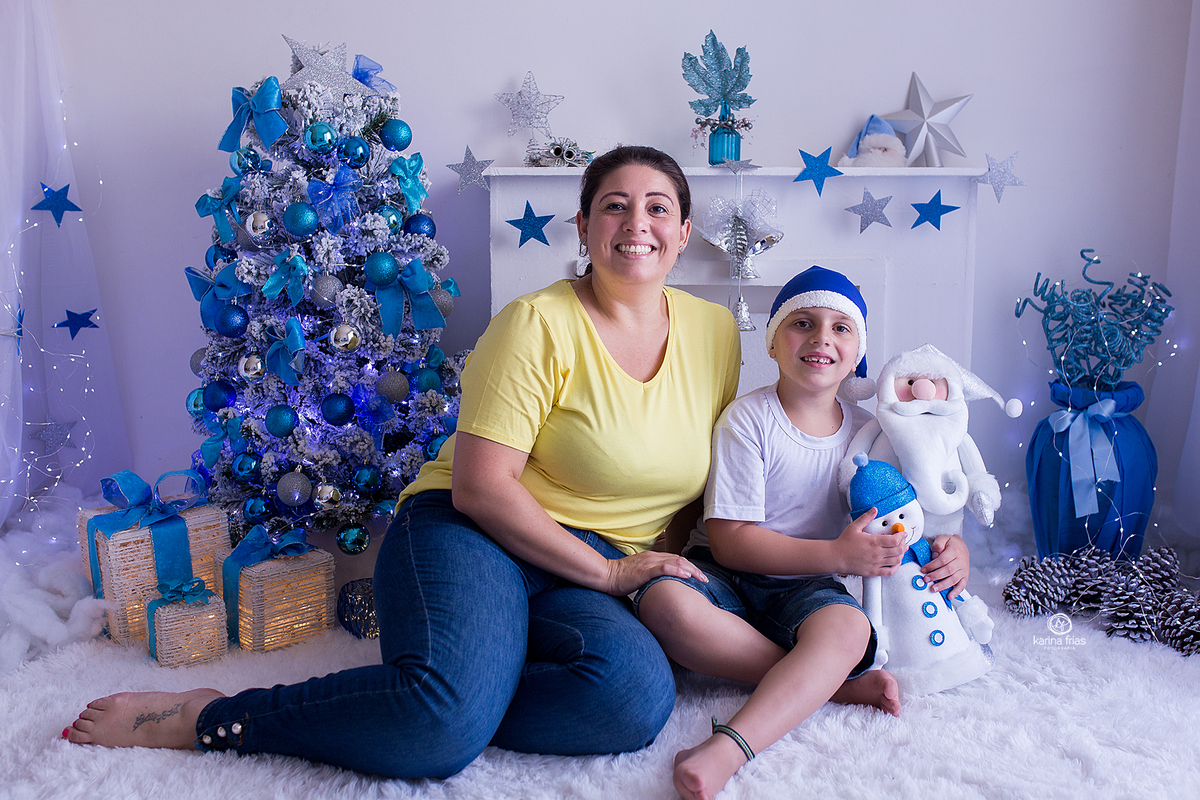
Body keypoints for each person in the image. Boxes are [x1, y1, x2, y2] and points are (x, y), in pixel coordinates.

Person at [64, 146, 742, 778]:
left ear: (683, 232)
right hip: (471, 532)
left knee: (631, 700)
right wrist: (612, 573)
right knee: (442, 731)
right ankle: (212, 717)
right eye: (614, 205)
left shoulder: (713, 333)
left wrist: (657, 583)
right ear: (583, 226)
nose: (636, 223)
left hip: (585, 570)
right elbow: (482, 489)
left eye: (658, 207)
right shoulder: (537, 323)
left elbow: (693, 486)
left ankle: (462, 682)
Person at [634, 266, 972, 800]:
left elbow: (910, 512)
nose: (821, 339)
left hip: (808, 585)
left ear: (858, 349)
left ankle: (728, 748)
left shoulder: (871, 432)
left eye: (841, 328)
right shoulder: (748, 420)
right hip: (728, 574)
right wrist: (838, 552)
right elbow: (730, 540)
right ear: (772, 343)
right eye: (803, 323)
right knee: (662, 604)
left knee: (849, 630)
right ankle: (831, 683)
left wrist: (953, 547)